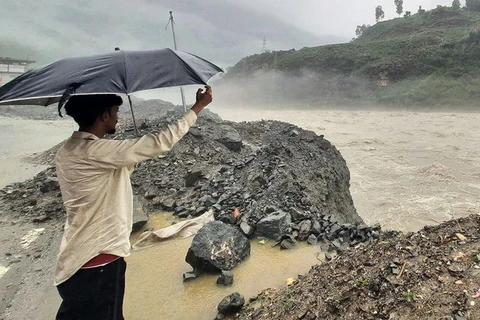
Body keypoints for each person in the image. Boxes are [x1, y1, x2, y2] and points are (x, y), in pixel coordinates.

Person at [54, 87, 213, 320]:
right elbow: (161, 141)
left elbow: (103, 178)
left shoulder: (67, 151)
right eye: (116, 111)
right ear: (104, 115)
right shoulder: (97, 151)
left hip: (74, 260)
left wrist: (133, 159)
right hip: (100, 261)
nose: (118, 117)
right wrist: (198, 107)